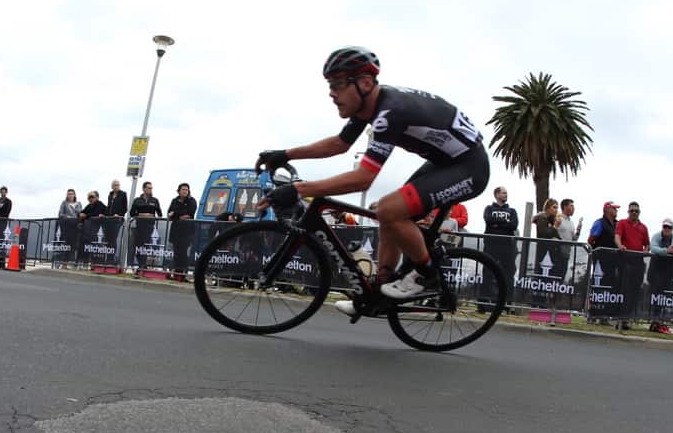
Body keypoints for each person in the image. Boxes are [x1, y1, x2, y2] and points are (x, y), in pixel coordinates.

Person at [253, 46, 490, 315]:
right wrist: (285, 154)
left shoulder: (391, 112)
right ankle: (378, 293)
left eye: (338, 84)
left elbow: (363, 178)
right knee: (386, 213)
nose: (332, 93)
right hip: (445, 162)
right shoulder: (370, 106)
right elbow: (340, 144)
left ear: (365, 83)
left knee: (390, 208)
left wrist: (298, 189)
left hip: (469, 167)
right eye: (330, 85)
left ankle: (427, 274)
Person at [482, 186, 520, 305]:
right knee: (488, 272)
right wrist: (505, 222)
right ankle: (483, 301)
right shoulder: (489, 208)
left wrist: (497, 224)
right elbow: (488, 220)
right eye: (503, 193)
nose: (506, 195)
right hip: (491, 245)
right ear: (497, 195)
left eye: (506, 193)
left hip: (507, 246)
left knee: (508, 274)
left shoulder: (512, 211)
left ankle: (506, 302)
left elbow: (513, 225)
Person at [615, 201, 650, 324]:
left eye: (636, 211)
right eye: (632, 211)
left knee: (635, 290)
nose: (634, 213)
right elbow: (617, 236)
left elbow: (647, 244)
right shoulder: (622, 223)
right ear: (628, 212)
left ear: (639, 212)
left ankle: (628, 317)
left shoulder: (643, 227)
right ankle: (620, 318)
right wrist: (620, 245)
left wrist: (646, 250)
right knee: (624, 289)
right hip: (625, 261)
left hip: (638, 262)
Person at [647, 218, 673, 333]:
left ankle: (660, 321)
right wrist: (667, 250)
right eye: (665, 227)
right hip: (656, 270)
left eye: (669, 227)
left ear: (672, 229)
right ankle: (654, 321)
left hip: (668, 271)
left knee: (664, 297)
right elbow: (653, 248)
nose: (666, 229)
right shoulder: (656, 236)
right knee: (655, 296)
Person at [166, 183, 197, 281]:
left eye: (186, 190)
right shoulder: (174, 200)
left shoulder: (192, 201)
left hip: (187, 231)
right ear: (179, 191)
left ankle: (183, 274)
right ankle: (176, 274)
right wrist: (178, 215)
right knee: (176, 253)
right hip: (176, 231)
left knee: (184, 253)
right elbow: (169, 213)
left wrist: (175, 214)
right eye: (183, 189)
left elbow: (190, 213)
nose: (185, 191)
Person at [129, 182, 163, 270]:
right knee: (138, 246)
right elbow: (132, 213)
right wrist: (142, 215)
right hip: (139, 226)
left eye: (151, 188)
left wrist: (152, 216)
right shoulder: (137, 200)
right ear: (144, 189)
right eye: (148, 188)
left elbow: (160, 214)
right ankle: (139, 264)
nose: (150, 190)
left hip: (150, 227)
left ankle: (143, 265)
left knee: (146, 246)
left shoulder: (155, 200)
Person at [57, 189, 82, 267]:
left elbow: (80, 214)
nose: (70, 195)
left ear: (74, 195)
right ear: (67, 195)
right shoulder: (64, 203)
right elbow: (60, 214)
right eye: (69, 194)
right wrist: (67, 216)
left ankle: (75, 264)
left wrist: (79, 215)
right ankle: (64, 265)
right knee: (67, 245)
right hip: (67, 227)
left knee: (76, 245)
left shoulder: (78, 203)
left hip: (76, 227)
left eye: (72, 194)